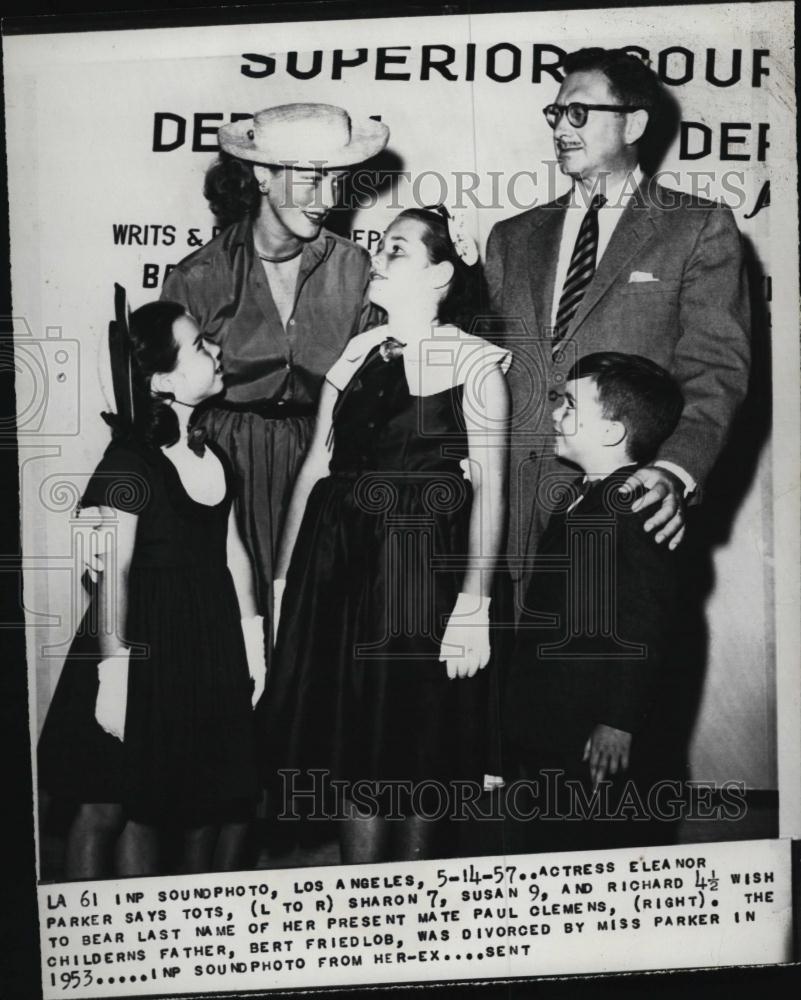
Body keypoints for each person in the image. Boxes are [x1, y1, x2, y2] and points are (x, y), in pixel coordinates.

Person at [263, 207, 511, 864]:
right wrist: (284, 586)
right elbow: (315, 468)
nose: (376, 257)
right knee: (351, 746)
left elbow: (490, 486)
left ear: (439, 274)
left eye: (396, 249)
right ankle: (362, 902)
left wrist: (475, 604)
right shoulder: (355, 355)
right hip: (339, 576)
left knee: (417, 746)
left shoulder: (476, 364)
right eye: (378, 245)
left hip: (418, 580)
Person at [485, 47, 750, 601]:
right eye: (556, 113)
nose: (561, 128)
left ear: (633, 124)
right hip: (510, 518)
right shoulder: (511, 237)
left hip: (625, 508)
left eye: (579, 112)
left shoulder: (697, 226)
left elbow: (716, 369)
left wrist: (674, 471)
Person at [38, 299, 263, 878]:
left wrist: (252, 641)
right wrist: (113, 675)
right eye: (199, 346)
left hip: (201, 645)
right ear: (163, 381)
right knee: (106, 805)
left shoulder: (214, 455)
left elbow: (233, 551)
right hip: (136, 642)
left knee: (157, 809)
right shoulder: (130, 461)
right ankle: (87, 924)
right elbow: (110, 571)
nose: (216, 350)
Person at [161, 103, 389, 634]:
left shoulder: (354, 268)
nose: (327, 199)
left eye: (337, 181)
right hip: (225, 465)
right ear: (262, 174)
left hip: (324, 461)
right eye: (312, 179)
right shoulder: (198, 277)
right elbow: (158, 404)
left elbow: (377, 391)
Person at [505, 352, 684, 852]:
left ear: (610, 432)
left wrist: (619, 720)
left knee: (589, 839)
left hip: (592, 724)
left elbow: (646, 621)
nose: (556, 413)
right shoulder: (576, 496)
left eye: (570, 405)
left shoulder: (632, 505)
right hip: (554, 717)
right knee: (548, 835)